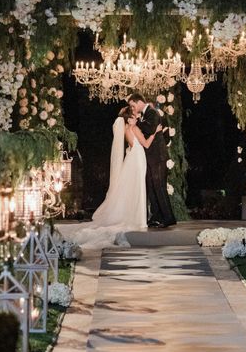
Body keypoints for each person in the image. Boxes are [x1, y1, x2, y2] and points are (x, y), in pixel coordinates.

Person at [56, 106, 162, 248]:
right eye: (135, 115)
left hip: (132, 158)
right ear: (130, 118)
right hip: (137, 159)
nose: (137, 116)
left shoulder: (126, 130)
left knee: (133, 187)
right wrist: (156, 132)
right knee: (137, 187)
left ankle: (136, 215)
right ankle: (138, 218)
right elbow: (147, 144)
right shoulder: (134, 129)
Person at [128, 92, 176, 228]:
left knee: (159, 186)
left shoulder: (152, 113)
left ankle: (168, 217)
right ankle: (156, 216)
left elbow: (150, 129)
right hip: (149, 157)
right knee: (151, 186)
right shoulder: (144, 115)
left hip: (158, 156)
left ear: (138, 102)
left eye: (132, 105)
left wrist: (136, 123)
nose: (132, 108)